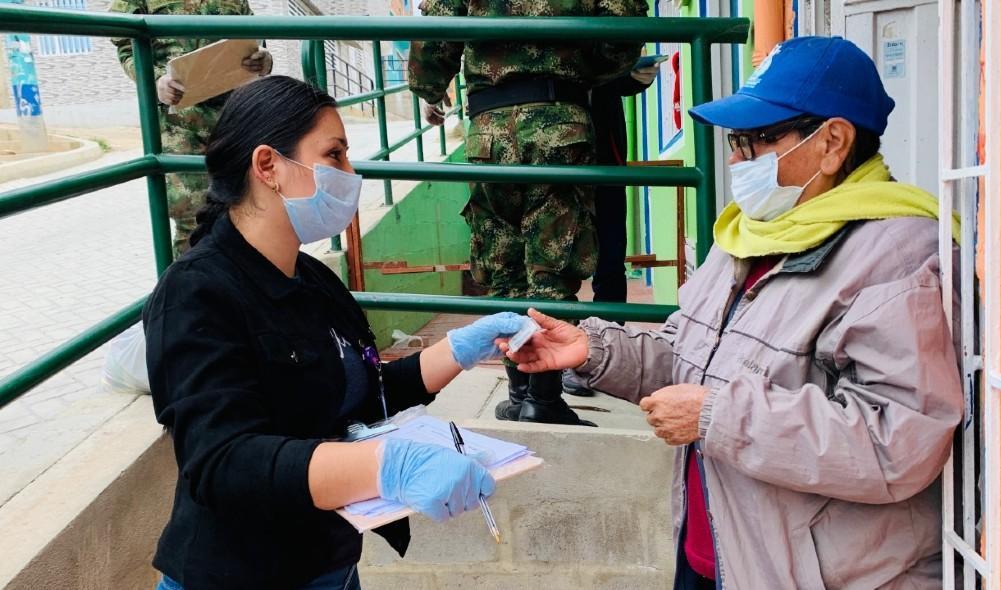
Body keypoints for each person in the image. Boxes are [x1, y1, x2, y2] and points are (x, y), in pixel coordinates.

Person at [501, 37, 964, 588]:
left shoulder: (897, 259)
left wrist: (717, 417)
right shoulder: (747, 237)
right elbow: (689, 356)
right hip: (717, 549)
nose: (735, 159)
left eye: (755, 141)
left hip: (817, 573)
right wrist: (595, 352)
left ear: (833, 142)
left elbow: (898, 442)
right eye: (733, 141)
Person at [143, 76, 529, 590]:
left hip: (330, 562)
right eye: (335, 155)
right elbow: (222, 461)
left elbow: (363, 394)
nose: (351, 174)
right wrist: (387, 464)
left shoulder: (315, 279)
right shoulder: (196, 291)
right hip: (238, 573)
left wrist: (461, 348)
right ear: (267, 166)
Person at [407, 0, 648, 427]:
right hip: (561, 120)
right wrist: (585, 66)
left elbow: (437, 31)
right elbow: (622, 28)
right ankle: (544, 398)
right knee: (551, 266)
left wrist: (429, 89)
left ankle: (519, 393)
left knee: (504, 266)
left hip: (489, 127)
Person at [110, 0, 273, 256]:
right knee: (192, 217)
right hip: (178, 122)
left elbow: (251, 36)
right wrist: (155, 81)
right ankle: (189, 292)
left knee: (249, 209)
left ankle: (241, 290)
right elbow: (124, 41)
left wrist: (263, 60)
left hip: (234, 116)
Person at [562, 62, 658, 397]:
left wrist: (633, 74)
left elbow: (621, 69)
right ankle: (561, 359)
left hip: (602, 148)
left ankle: (608, 358)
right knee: (553, 262)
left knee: (610, 256)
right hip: (552, 151)